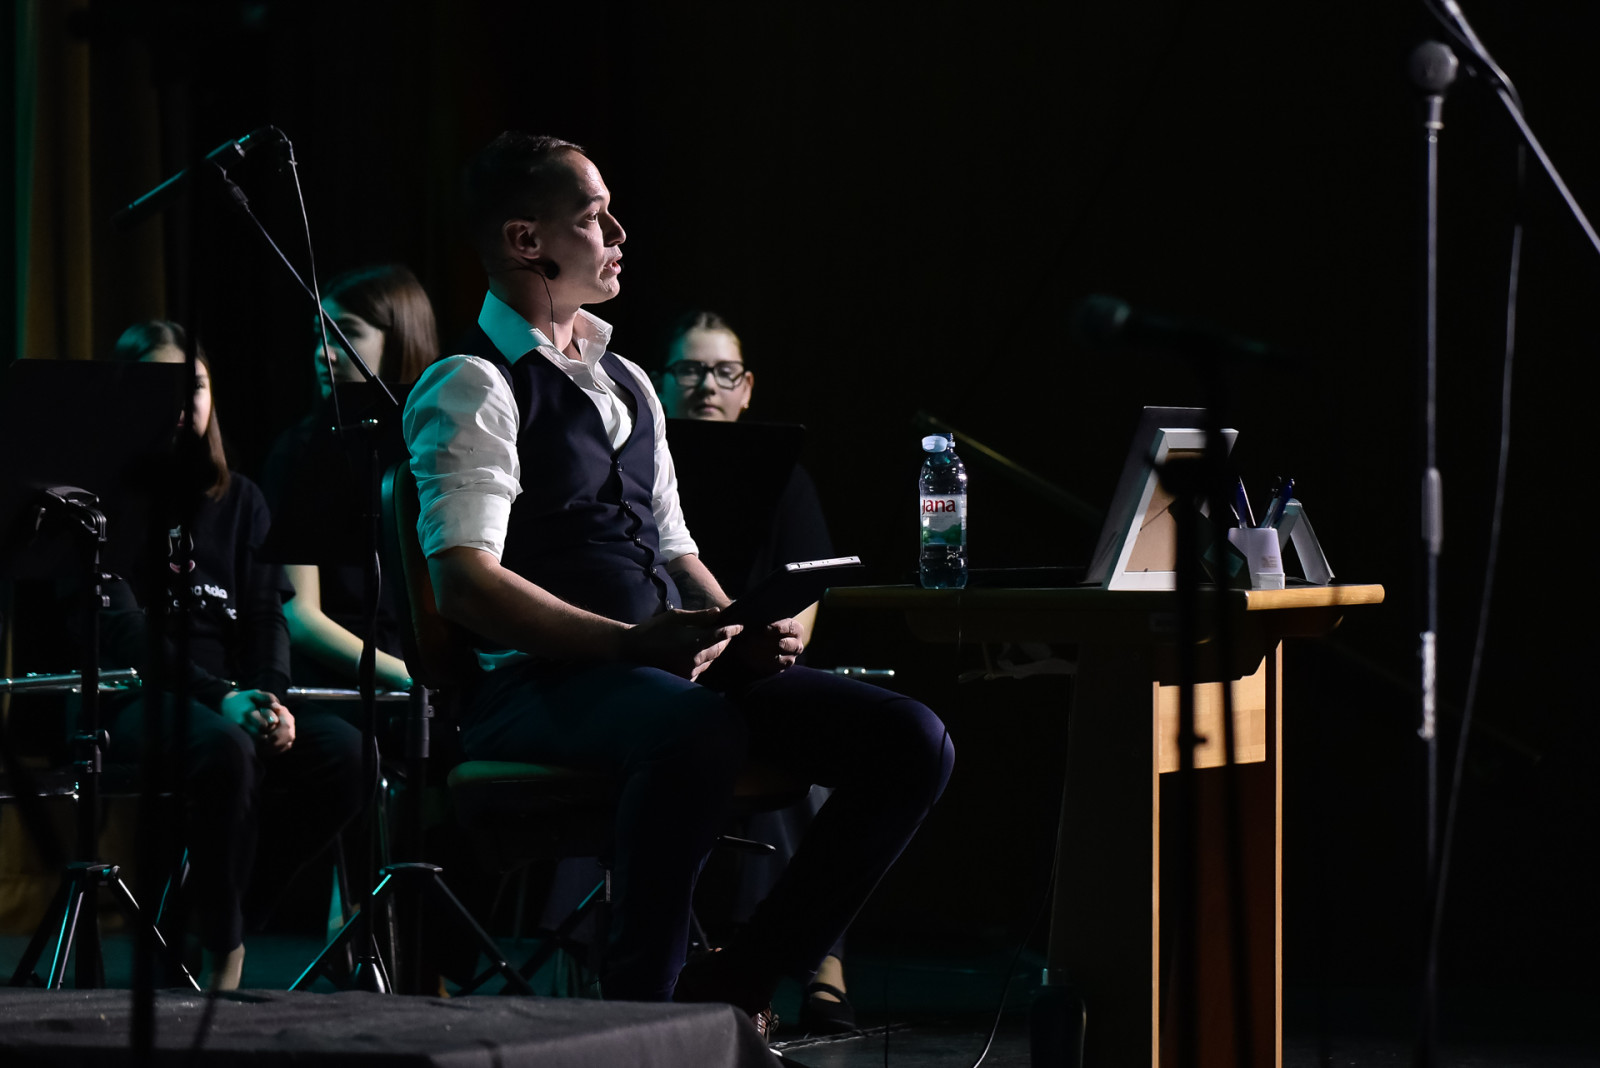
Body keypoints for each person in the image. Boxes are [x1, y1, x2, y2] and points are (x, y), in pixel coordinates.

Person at [401, 132, 954, 1034]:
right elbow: (464, 584)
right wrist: (629, 644)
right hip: (533, 687)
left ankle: (736, 980)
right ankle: (638, 1015)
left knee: (911, 739)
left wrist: (736, 623)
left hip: (657, 674)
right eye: (593, 217)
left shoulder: (627, 380)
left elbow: (674, 547)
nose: (619, 232)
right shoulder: (471, 384)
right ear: (525, 240)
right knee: (695, 728)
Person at [101, 321, 365, 990]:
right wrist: (222, 698)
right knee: (226, 747)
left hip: (230, 700)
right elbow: (126, 634)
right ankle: (225, 952)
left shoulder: (242, 499)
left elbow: (267, 616)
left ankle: (218, 913)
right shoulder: (104, 502)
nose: (181, 402)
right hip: (132, 697)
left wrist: (269, 696)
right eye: (160, 386)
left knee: (347, 753)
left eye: (193, 385)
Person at [658, 310, 853, 1033]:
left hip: (759, 665)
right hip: (670, 665)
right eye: (689, 369)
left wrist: (780, 647)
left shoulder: (784, 478)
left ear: (746, 388)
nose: (706, 385)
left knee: (814, 740)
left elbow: (809, 587)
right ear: (661, 382)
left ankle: (813, 957)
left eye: (723, 372)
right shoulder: (641, 465)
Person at [262, 264, 440, 692]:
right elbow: (301, 617)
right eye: (320, 334)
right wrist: (411, 680)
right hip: (340, 678)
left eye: (346, 333)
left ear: (399, 339)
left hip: (423, 666)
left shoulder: (440, 444)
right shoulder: (297, 450)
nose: (324, 351)